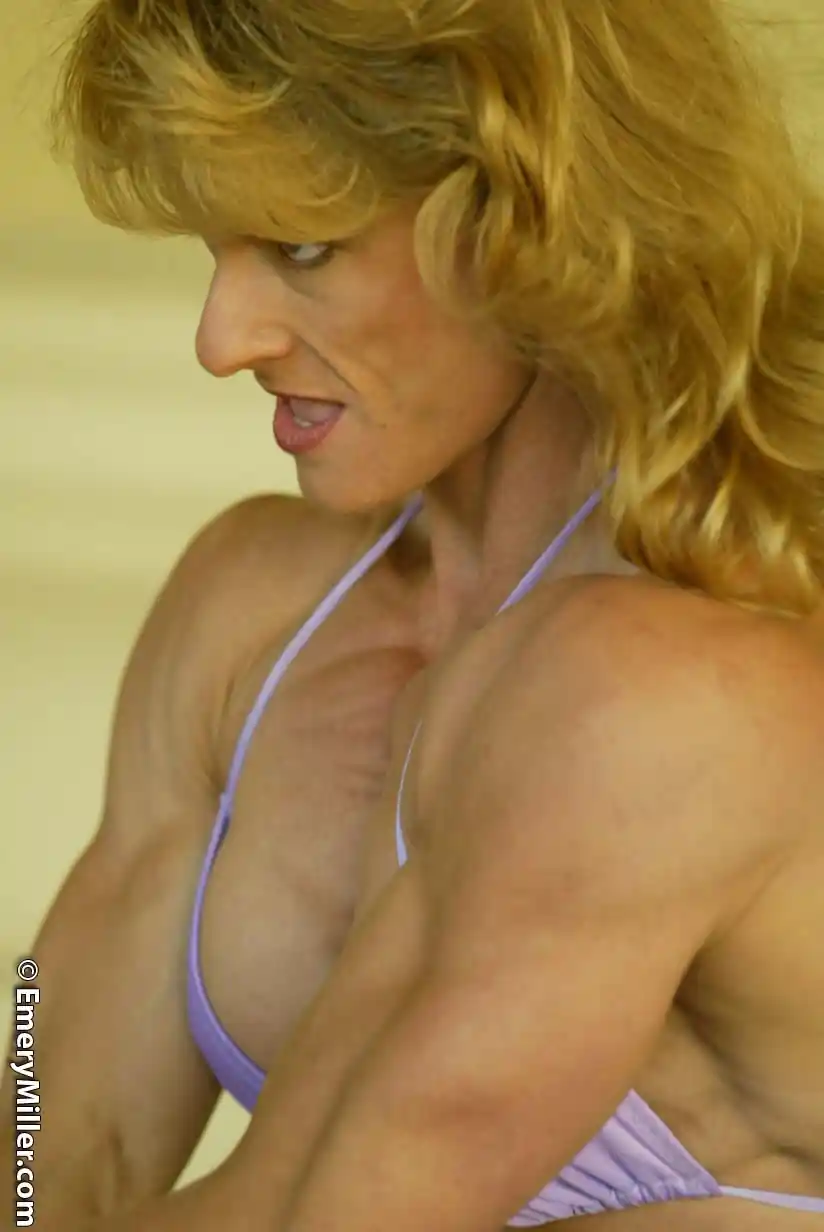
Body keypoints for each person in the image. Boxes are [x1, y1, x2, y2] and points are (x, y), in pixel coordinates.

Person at [2, 0, 824, 1228]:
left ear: (534, 226)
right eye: (212, 247)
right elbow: (43, 1135)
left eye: (304, 247)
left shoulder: (677, 683)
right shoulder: (247, 611)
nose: (221, 340)